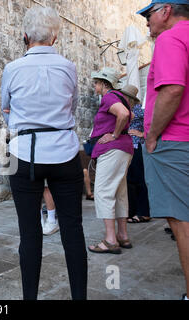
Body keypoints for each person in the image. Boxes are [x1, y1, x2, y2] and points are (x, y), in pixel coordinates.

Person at [1, 6, 87, 300]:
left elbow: (6, 108)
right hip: (64, 150)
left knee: (29, 233)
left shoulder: (11, 69)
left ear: (24, 36)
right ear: (55, 37)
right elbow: (72, 107)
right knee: (73, 230)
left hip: (23, 152)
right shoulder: (68, 67)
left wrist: (23, 126)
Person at [137, 0, 189, 300]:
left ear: (166, 11)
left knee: (181, 221)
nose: (147, 22)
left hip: (175, 141)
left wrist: (153, 134)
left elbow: (172, 89)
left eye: (149, 14)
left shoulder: (170, 37)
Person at [87, 67, 134, 255]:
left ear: (104, 84)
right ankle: (122, 236)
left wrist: (114, 135)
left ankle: (110, 240)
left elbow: (123, 114)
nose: (95, 85)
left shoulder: (109, 97)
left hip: (113, 150)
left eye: (97, 82)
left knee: (103, 192)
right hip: (124, 149)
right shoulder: (119, 97)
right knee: (120, 192)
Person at [120, 84, 151, 223]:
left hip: (137, 146)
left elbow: (151, 122)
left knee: (139, 180)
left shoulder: (138, 110)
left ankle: (144, 212)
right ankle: (131, 211)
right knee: (129, 180)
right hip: (126, 147)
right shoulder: (123, 108)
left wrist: (142, 133)